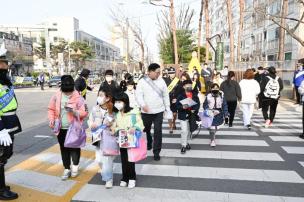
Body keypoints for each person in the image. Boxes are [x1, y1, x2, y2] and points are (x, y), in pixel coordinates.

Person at [48, 75, 88, 180]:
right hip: (61, 128)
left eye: (69, 92)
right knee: (64, 148)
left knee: (74, 147)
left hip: (74, 127)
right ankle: (66, 168)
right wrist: (51, 119)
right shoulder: (56, 96)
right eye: (66, 92)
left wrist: (74, 111)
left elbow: (84, 112)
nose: (68, 94)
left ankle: (75, 166)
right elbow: (51, 109)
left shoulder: (78, 97)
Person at [135, 63, 170, 161]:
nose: (158, 74)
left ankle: (156, 152)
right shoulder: (142, 82)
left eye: (159, 72)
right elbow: (138, 95)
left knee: (158, 131)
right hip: (146, 112)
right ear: (150, 72)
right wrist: (143, 105)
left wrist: (167, 107)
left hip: (159, 111)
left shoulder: (161, 81)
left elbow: (165, 95)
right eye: (157, 72)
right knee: (146, 130)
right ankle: (149, 142)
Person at [0, 51, 22, 200]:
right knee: (1, 156)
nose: (6, 66)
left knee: (6, 154)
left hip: (10, 122)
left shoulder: (5, 81)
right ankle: (1, 190)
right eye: (3, 63)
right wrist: (1, 129)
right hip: (2, 125)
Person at [113, 93, 144, 189]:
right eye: (116, 102)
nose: (117, 104)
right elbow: (115, 126)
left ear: (125, 102)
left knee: (131, 160)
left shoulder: (134, 113)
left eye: (119, 102)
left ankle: (132, 178)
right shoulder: (117, 114)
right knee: (123, 160)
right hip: (122, 140)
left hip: (131, 140)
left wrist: (135, 127)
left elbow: (140, 124)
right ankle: (124, 178)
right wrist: (115, 130)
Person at [88, 87, 115, 188]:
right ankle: (107, 171)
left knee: (107, 159)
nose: (98, 98)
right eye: (98, 95)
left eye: (101, 96)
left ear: (107, 98)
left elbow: (116, 122)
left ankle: (109, 179)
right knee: (99, 160)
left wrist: (111, 125)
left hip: (108, 138)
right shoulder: (95, 109)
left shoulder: (112, 109)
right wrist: (92, 124)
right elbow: (90, 120)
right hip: (98, 138)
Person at [176, 80, 200, 153]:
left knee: (189, 131)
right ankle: (183, 145)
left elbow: (197, 104)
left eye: (190, 85)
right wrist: (182, 107)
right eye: (187, 85)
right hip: (183, 115)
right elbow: (177, 105)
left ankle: (186, 143)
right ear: (184, 86)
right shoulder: (180, 95)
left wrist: (194, 110)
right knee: (184, 131)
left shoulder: (194, 95)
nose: (189, 86)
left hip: (191, 115)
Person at [165, 67, 179, 134]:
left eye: (173, 73)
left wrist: (177, 98)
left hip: (175, 99)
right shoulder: (165, 81)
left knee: (174, 114)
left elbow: (180, 91)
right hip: (168, 99)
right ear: (168, 74)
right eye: (170, 73)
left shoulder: (177, 80)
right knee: (169, 113)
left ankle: (174, 122)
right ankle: (170, 127)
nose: (172, 74)